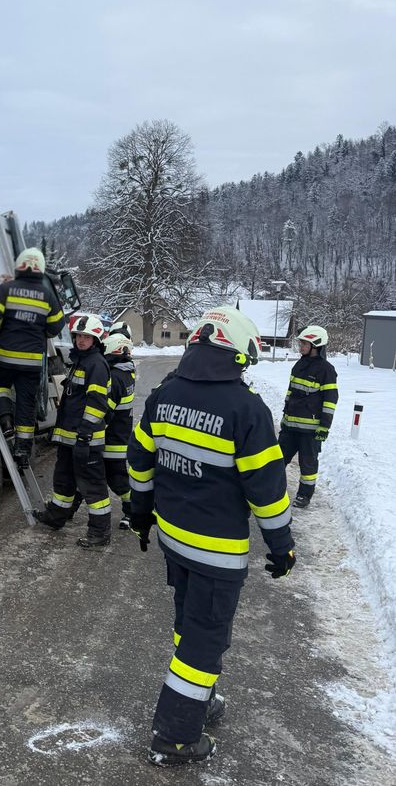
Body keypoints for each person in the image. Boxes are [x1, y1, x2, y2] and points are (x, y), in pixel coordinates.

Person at [127, 306, 296, 766]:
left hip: (174, 541)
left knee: (189, 621)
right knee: (205, 638)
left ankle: (203, 700)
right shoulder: (247, 410)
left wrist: (140, 516)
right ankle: (175, 736)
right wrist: (282, 546)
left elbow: (139, 465)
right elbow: (268, 491)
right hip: (217, 552)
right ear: (236, 355)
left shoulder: (163, 397)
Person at [33, 313, 112, 547]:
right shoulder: (80, 361)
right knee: (64, 480)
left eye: (87, 337)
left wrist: (85, 436)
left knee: (93, 488)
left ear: (96, 339)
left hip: (85, 440)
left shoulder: (96, 365)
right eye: (78, 336)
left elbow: (97, 405)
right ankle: (56, 517)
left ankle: (99, 534)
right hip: (71, 439)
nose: (81, 341)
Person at [0, 247, 65, 468]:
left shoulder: (7, 289)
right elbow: (57, 326)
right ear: (40, 268)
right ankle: (22, 451)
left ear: (19, 266)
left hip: (5, 357)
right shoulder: (47, 296)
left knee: (0, 386)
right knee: (27, 404)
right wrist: (42, 331)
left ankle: (5, 420)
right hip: (31, 362)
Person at [279, 325, 339, 508]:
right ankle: (272, 490)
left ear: (316, 345)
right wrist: (284, 416)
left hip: (310, 431)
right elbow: (291, 393)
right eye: (301, 343)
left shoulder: (326, 370)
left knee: (308, 465)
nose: (300, 346)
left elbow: (330, 400)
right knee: (277, 460)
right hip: (290, 427)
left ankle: (304, 496)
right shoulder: (299, 365)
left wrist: (324, 426)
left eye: (304, 343)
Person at [102, 332, 136, 529]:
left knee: (118, 481)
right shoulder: (127, 372)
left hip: (112, 440)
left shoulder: (115, 378)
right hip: (119, 437)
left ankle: (134, 511)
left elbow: (105, 412)